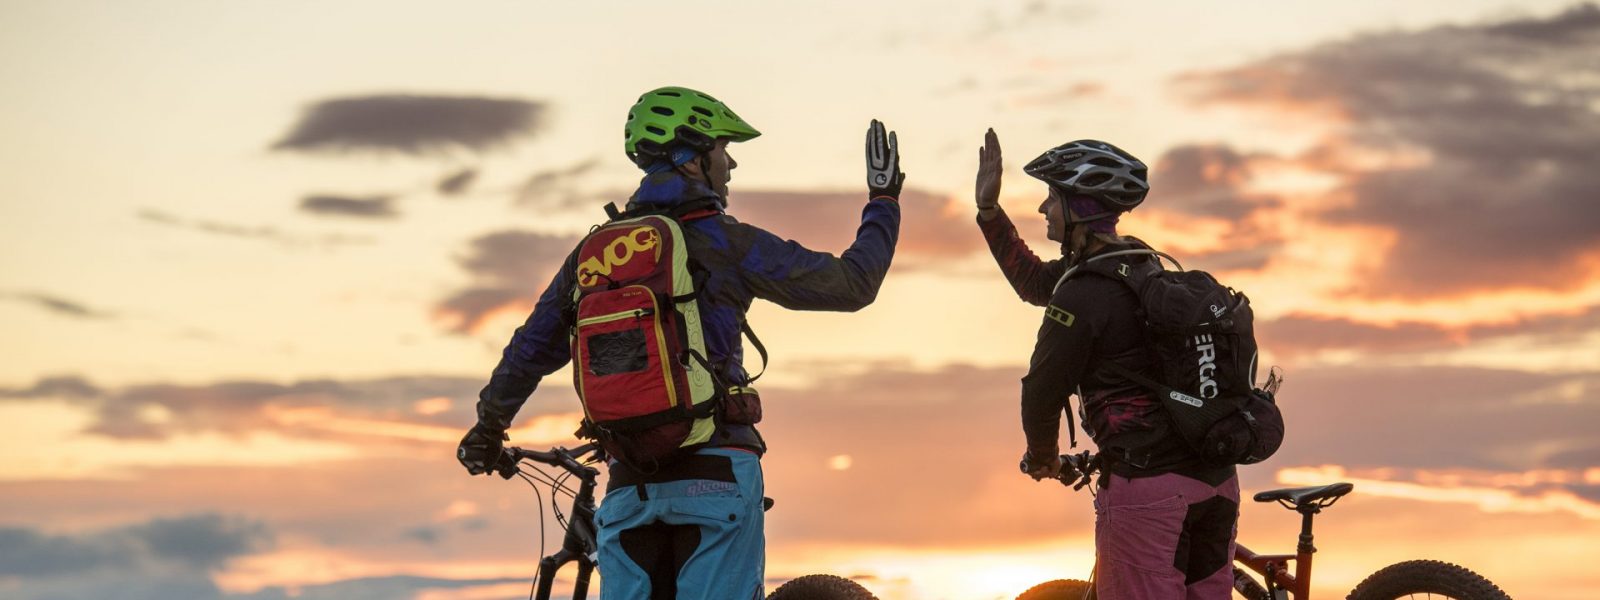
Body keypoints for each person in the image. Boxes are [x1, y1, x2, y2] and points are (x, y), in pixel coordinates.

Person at [457, 86, 905, 599]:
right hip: (716, 474)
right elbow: (852, 285)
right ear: (692, 158)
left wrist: (487, 428)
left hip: (629, 488)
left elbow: (529, 350)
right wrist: (884, 201)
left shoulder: (594, 254)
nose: (730, 163)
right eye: (722, 148)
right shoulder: (723, 241)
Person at [975, 130, 1239, 599]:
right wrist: (991, 215)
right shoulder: (1140, 264)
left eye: (1051, 198)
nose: (1043, 209)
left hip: (1150, 487)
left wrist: (1043, 458)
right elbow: (1038, 283)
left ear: (1079, 205)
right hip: (1215, 483)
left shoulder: (1084, 293)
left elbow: (1042, 388)